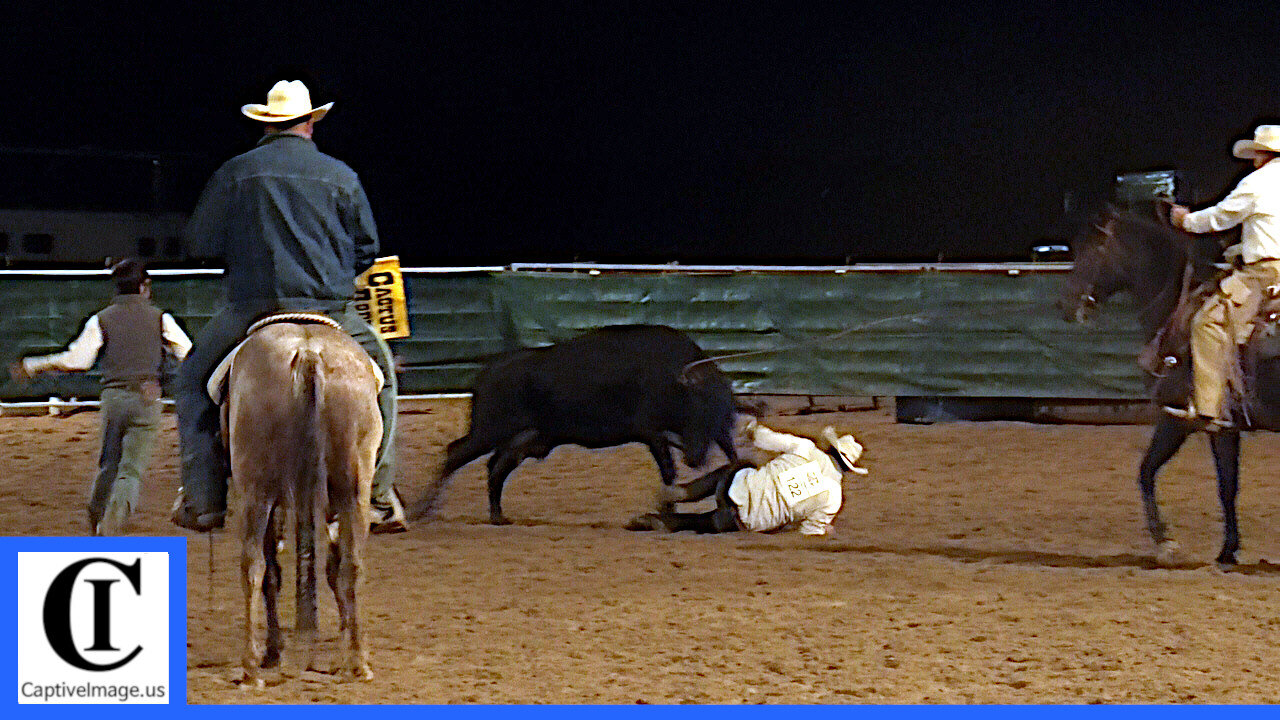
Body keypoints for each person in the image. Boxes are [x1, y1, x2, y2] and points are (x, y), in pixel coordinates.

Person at [170, 79, 406, 533]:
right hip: (332, 310)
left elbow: (199, 242)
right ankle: (377, 496)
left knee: (193, 383)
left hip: (250, 310)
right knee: (384, 382)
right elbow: (367, 247)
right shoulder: (341, 175)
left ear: (265, 124)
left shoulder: (234, 173)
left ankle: (204, 500)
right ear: (310, 124)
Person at [8, 259, 192, 535]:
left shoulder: (102, 319)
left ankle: (95, 515)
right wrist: (162, 380)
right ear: (145, 287)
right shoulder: (160, 318)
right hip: (146, 398)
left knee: (108, 463)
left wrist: (35, 364)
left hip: (113, 398)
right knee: (130, 471)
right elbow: (188, 354)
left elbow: (77, 360)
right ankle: (111, 528)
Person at [1167, 124, 1280, 431]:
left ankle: (1209, 408)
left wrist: (1186, 220)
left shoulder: (1257, 183)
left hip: (1265, 273)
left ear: (1261, 153)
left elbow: (1221, 216)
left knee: (1207, 323)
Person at [626, 420, 867, 535]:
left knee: (744, 466)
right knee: (704, 524)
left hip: (734, 488)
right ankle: (672, 523)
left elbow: (764, 438)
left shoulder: (806, 449)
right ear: (846, 468)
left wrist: (753, 428)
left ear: (830, 449)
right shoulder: (833, 499)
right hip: (744, 522)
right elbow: (809, 533)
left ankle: (685, 493)